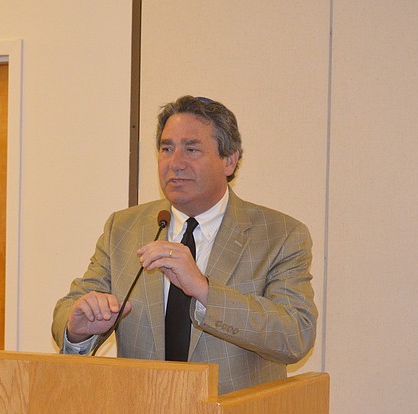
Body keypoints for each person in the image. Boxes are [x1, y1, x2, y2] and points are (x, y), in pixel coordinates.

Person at [52, 95, 317, 393]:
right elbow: (69, 308)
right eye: (166, 149)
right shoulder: (124, 228)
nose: (175, 164)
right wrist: (77, 330)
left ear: (229, 160)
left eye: (191, 149)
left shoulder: (279, 235)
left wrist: (204, 290)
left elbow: (296, 335)